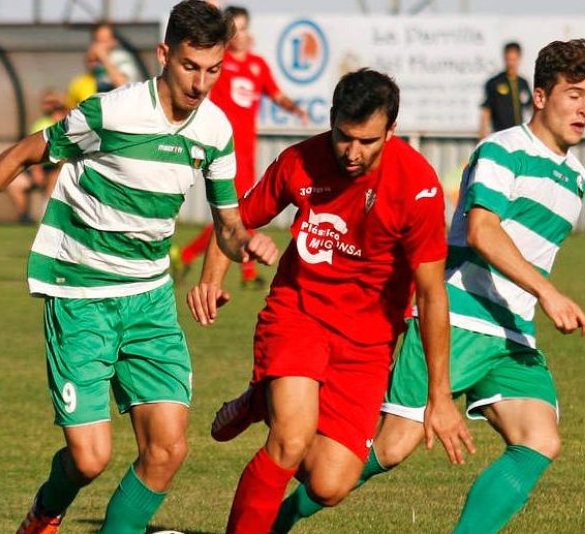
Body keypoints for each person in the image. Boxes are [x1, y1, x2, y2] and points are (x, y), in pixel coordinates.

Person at [0, 0, 279, 534]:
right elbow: (24, 153)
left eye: (212, 70)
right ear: (164, 54)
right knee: (89, 459)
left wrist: (245, 240)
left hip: (149, 297)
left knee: (167, 450)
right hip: (80, 290)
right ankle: (45, 512)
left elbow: (227, 222)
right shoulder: (111, 113)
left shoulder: (216, 130)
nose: (200, 83)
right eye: (189, 66)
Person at [274, 39, 585, 533]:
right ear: (539, 97)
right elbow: (482, 231)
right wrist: (548, 293)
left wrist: (533, 300)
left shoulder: (576, 177)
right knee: (393, 446)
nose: (584, 108)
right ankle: (280, 516)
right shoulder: (504, 150)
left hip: (512, 332)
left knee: (540, 439)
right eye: (573, 94)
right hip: (462, 317)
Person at [187, 68, 473, 533]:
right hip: (299, 314)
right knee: (291, 439)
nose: (352, 152)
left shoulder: (417, 185)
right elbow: (233, 221)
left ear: (391, 132)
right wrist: (212, 277)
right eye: (344, 136)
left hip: (368, 343)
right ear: (332, 118)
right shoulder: (300, 161)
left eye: (367, 141)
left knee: (330, 484)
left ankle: (263, 399)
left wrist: (439, 396)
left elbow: (432, 293)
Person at [171, 5, 310, 288]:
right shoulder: (219, 65)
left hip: (248, 149)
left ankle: (195, 258)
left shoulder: (257, 65)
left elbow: (277, 94)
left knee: (240, 211)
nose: (242, 34)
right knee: (236, 212)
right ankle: (207, 261)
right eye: (236, 28)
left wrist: (296, 110)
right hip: (225, 148)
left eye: (245, 27)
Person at [5, 91, 68, 224]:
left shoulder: (68, 123)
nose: (50, 107)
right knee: (14, 184)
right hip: (41, 166)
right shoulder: (40, 124)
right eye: (46, 103)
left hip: (57, 167)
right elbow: (33, 150)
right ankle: (24, 217)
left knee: (55, 177)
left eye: (54, 104)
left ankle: (47, 218)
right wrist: (36, 170)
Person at [479, 41, 532, 138]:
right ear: (504, 58)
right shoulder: (494, 83)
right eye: (509, 59)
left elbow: (531, 109)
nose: (511, 63)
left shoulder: (523, 83)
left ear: (519, 59)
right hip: (500, 134)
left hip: (519, 135)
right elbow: (486, 111)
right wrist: (482, 135)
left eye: (514, 59)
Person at [88, 20, 145, 93]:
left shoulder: (122, 57)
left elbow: (123, 85)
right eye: (98, 41)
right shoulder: (96, 62)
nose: (99, 46)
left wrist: (103, 57)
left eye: (105, 40)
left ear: (113, 41)